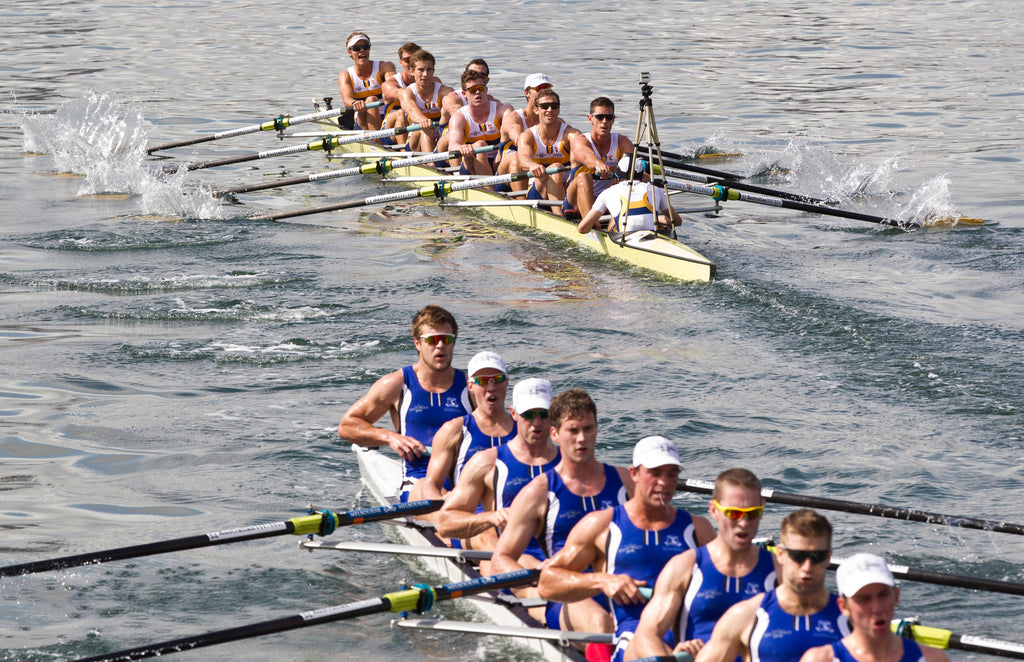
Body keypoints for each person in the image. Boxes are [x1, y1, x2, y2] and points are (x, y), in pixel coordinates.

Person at [538, 436, 716, 662]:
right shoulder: (602, 526)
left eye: (672, 474)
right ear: (634, 474)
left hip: (688, 638)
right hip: (633, 640)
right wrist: (603, 581)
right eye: (655, 473)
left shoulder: (698, 528)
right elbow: (546, 584)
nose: (664, 482)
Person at [488, 388, 634, 641]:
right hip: (569, 595)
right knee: (601, 623)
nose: (581, 439)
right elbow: (501, 560)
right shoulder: (538, 492)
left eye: (588, 429)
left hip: (620, 584)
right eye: (573, 431)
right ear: (554, 434)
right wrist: (538, 584)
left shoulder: (625, 481)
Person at [625, 468, 777, 661]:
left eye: (753, 513)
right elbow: (646, 636)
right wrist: (670, 657)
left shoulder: (779, 570)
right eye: (734, 513)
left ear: (762, 508)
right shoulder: (685, 567)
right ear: (714, 510)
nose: (744, 523)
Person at [337, 304, 471, 498]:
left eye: (446, 339)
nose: (440, 345)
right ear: (417, 343)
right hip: (419, 482)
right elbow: (346, 426)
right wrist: (390, 437)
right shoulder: (397, 384)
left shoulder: (471, 386)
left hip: (465, 480)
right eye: (433, 340)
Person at [694, 509, 849, 662]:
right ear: (780, 553)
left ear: (828, 558)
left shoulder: (851, 618)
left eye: (817, 556)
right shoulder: (745, 616)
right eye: (798, 556)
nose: (807, 566)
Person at [435, 377, 559, 555]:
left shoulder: (571, 463)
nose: (537, 422)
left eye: (544, 414)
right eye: (529, 415)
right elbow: (445, 524)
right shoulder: (486, 463)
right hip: (511, 560)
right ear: (514, 413)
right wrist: (491, 518)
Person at [800, 554, 949, 662]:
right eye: (864, 599)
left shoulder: (933, 659)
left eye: (883, 595)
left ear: (896, 596)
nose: (877, 608)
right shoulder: (819, 660)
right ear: (843, 606)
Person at [417, 350, 516, 503]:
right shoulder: (454, 431)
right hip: (471, 514)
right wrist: (443, 502)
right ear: (470, 386)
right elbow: (430, 486)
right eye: (482, 381)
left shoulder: (524, 428)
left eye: (497, 379)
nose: (491, 387)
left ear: (507, 382)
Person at [577, 155, 682, 235]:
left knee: (615, 215)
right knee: (661, 221)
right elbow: (677, 221)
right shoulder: (655, 189)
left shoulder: (607, 193)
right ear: (643, 175)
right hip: (652, 237)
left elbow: (582, 229)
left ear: (617, 176)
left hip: (623, 237)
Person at [566, 97, 634, 218]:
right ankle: (592, 226)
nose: (604, 121)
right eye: (599, 117)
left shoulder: (623, 142)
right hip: (575, 201)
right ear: (590, 118)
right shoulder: (580, 141)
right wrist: (598, 164)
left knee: (625, 179)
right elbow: (586, 156)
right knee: (584, 177)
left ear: (613, 119)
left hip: (606, 198)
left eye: (608, 117)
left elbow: (629, 167)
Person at [517, 88, 581, 213]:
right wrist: (532, 165)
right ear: (536, 109)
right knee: (555, 167)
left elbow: (580, 162)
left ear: (558, 109)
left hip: (566, 188)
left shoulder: (571, 134)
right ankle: (559, 216)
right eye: (545, 106)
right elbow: (523, 160)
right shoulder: (528, 135)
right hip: (539, 191)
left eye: (554, 106)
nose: (550, 110)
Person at [446, 69, 513, 176]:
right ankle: (489, 189)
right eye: (472, 90)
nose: (477, 92)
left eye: (481, 88)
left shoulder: (502, 110)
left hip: (498, 161)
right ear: (464, 94)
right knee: (480, 145)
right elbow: (453, 145)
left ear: (486, 90)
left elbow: (512, 130)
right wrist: (462, 148)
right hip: (472, 163)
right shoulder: (459, 117)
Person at [495, 74, 552, 192]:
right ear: (527, 93)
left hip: (535, 174)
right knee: (517, 158)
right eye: (539, 89)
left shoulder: (554, 121)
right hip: (506, 178)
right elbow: (513, 130)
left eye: (546, 88)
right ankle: (522, 202)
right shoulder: (513, 117)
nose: (544, 92)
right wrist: (520, 139)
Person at [337, 32, 396, 131]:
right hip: (362, 120)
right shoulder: (345, 75)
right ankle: (378, 143)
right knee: (371, 100)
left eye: (365, 47)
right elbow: (347, 100)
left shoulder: (385, 67)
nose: (362, 51)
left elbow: (393, 85)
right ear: (349, 52)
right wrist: (355, 103)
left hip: (387, 118)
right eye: (357, 48)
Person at [397, 49, 452, 153]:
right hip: (415, 141)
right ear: (411, 71)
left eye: (429, 69)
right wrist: (423, 120)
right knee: (425, 129)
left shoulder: (444, 91)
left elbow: (454, 106)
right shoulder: (407, 93)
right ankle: (431, 164)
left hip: (438, 139)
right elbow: (411, 109)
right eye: (421, 70)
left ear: (433, 71)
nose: (425, 74)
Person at [379, 41, 430, 145]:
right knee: (402, 113)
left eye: (415, 59)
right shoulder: (390, 84)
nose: (411, 63)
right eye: (408, 60)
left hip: (416, 125)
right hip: (390, 131)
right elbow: (403, 95)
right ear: (401, 63)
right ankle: (403, 152)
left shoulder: (433, 82)